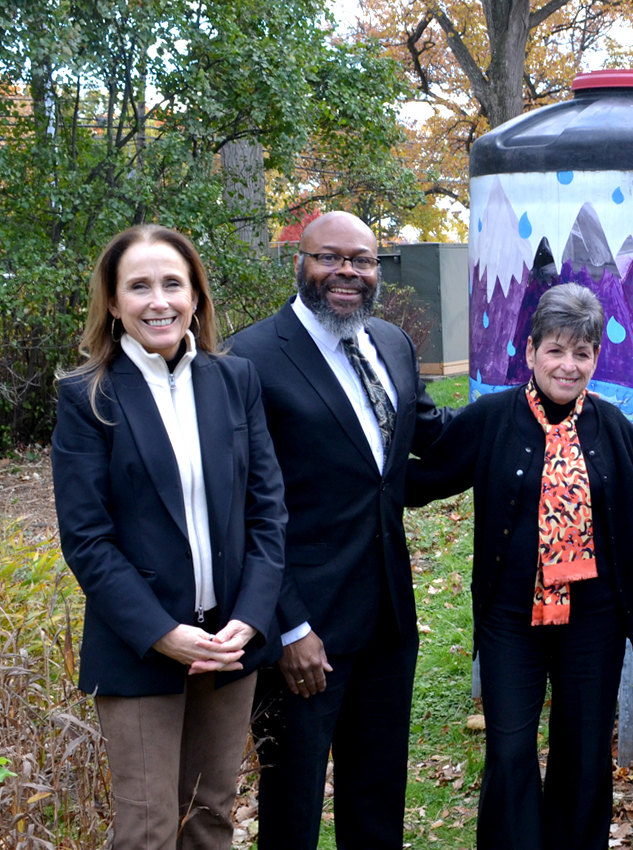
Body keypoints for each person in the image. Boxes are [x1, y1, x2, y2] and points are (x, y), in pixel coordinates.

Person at [404, 283, 633, 849]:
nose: (568, 365)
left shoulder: (610, 426)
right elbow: (424, 480)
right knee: (510, 749)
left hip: (596, 618)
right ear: (531, 352)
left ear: (594, 359)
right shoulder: (492, 419)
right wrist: (348, 481)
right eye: (556, 350)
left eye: (582, 353)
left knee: (583, 753)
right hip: (513, 618)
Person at [51, 224, 288, 850]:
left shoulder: (235, 380)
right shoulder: (88, 397)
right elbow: (87, 539)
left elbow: (268, 514)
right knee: (150, 827)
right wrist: (164, 634)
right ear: (111, 301)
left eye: (172, 284)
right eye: (139, 286)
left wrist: (251, 617)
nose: (158, 300)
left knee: (211, 817)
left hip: (229, 642)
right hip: (140, 648)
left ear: (196, 297)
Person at [229, 211, 453, 850]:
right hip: (305, 628)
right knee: (292, 803)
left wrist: (526, 416)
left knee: (378, 793)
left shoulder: (391, 341)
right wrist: (290, 627)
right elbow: (246, 509)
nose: (347, 272)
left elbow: (425, 448)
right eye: (331, 258)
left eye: (363, 260)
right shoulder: (250, 358)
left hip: (386, 611)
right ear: (299, 261)